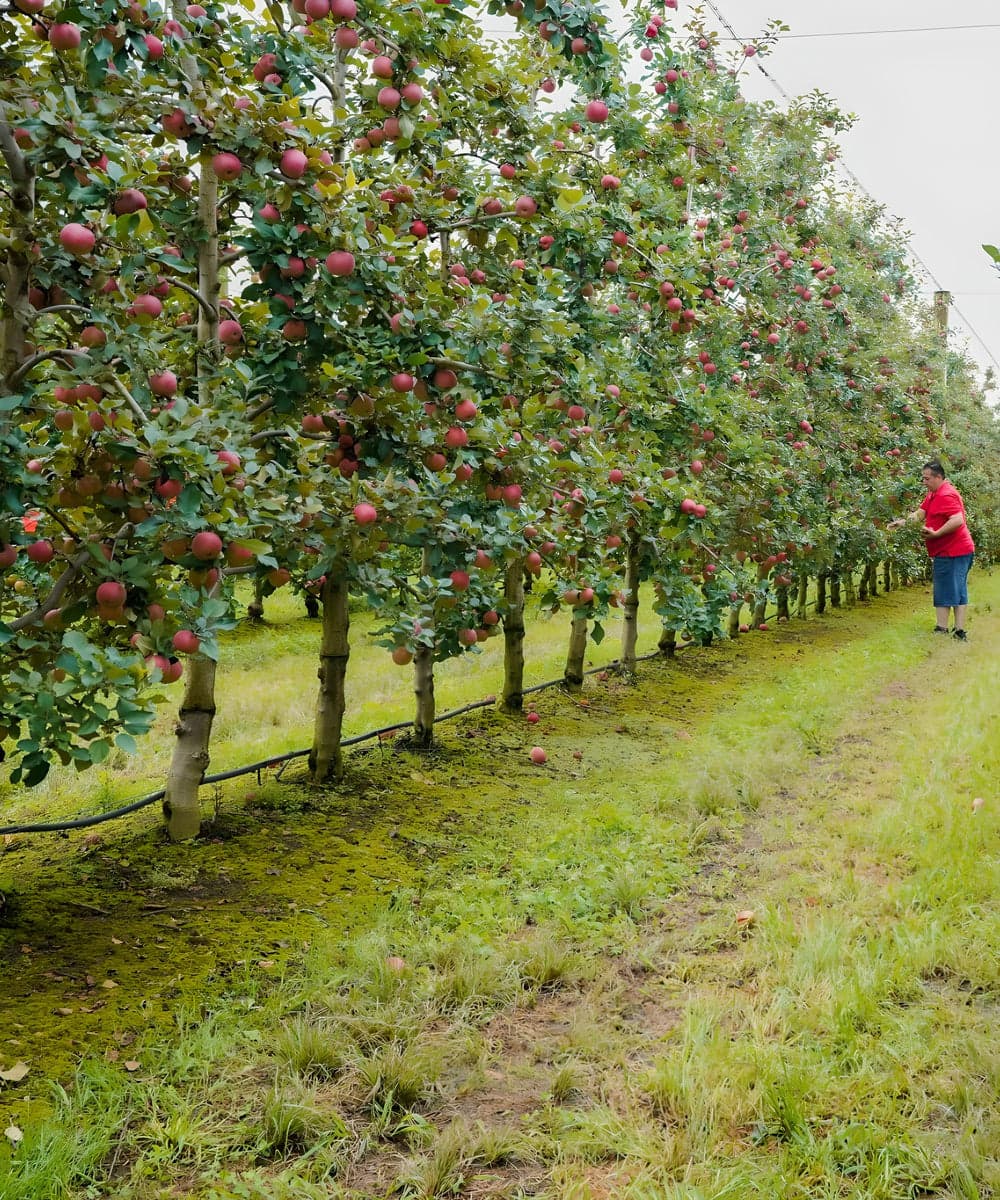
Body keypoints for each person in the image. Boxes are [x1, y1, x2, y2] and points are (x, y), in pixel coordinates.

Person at [887, 459, 975, 639]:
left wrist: (936, 534)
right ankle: (951, 629)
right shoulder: (933, 494)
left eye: (927, 479)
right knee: (950, 588)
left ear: (938, 477)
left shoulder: (946, 494)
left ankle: (952, 630)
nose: (924, 482)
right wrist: (903, 522)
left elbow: (957, 520)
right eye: (923, 478)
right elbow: (921, 513)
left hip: (954, 550)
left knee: (951, 589)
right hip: (949, 550)